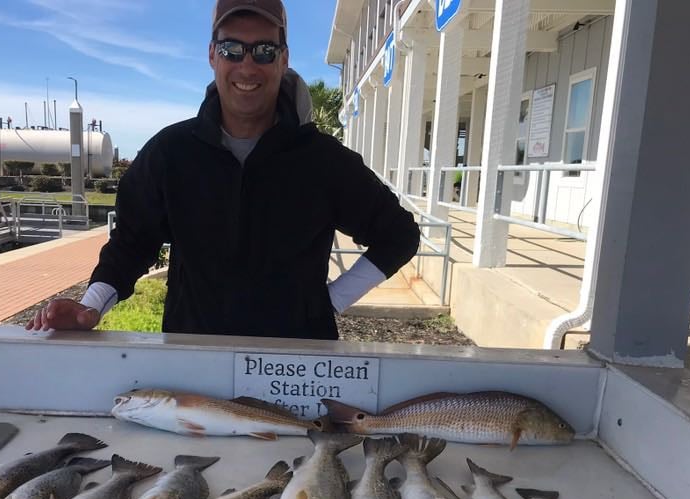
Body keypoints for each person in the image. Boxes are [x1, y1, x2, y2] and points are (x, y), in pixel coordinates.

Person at [26, 0, 420, 340]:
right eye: (233, 49)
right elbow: (131, 242)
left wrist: (329, 302)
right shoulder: (170, 152)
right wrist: (90, 308)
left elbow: (399, 234)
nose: (248, 65)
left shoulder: (323, 159)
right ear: (213, 55)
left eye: (264, 50)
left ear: (283, 60)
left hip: (295, 368)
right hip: (195, 362)